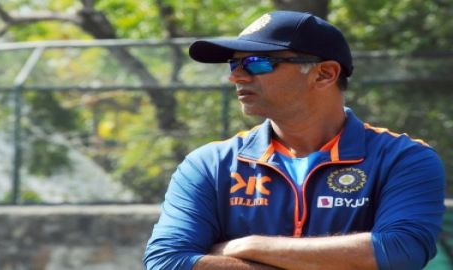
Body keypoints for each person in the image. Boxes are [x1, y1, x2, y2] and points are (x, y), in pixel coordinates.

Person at [143, 10, 445, 270]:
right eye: (234, 65)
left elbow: (400, 253)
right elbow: (166, 261)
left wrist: (245, 246)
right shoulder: (210, 164)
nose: (237, 77)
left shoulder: (404, 158)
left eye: (258, 63)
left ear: (325, 74)